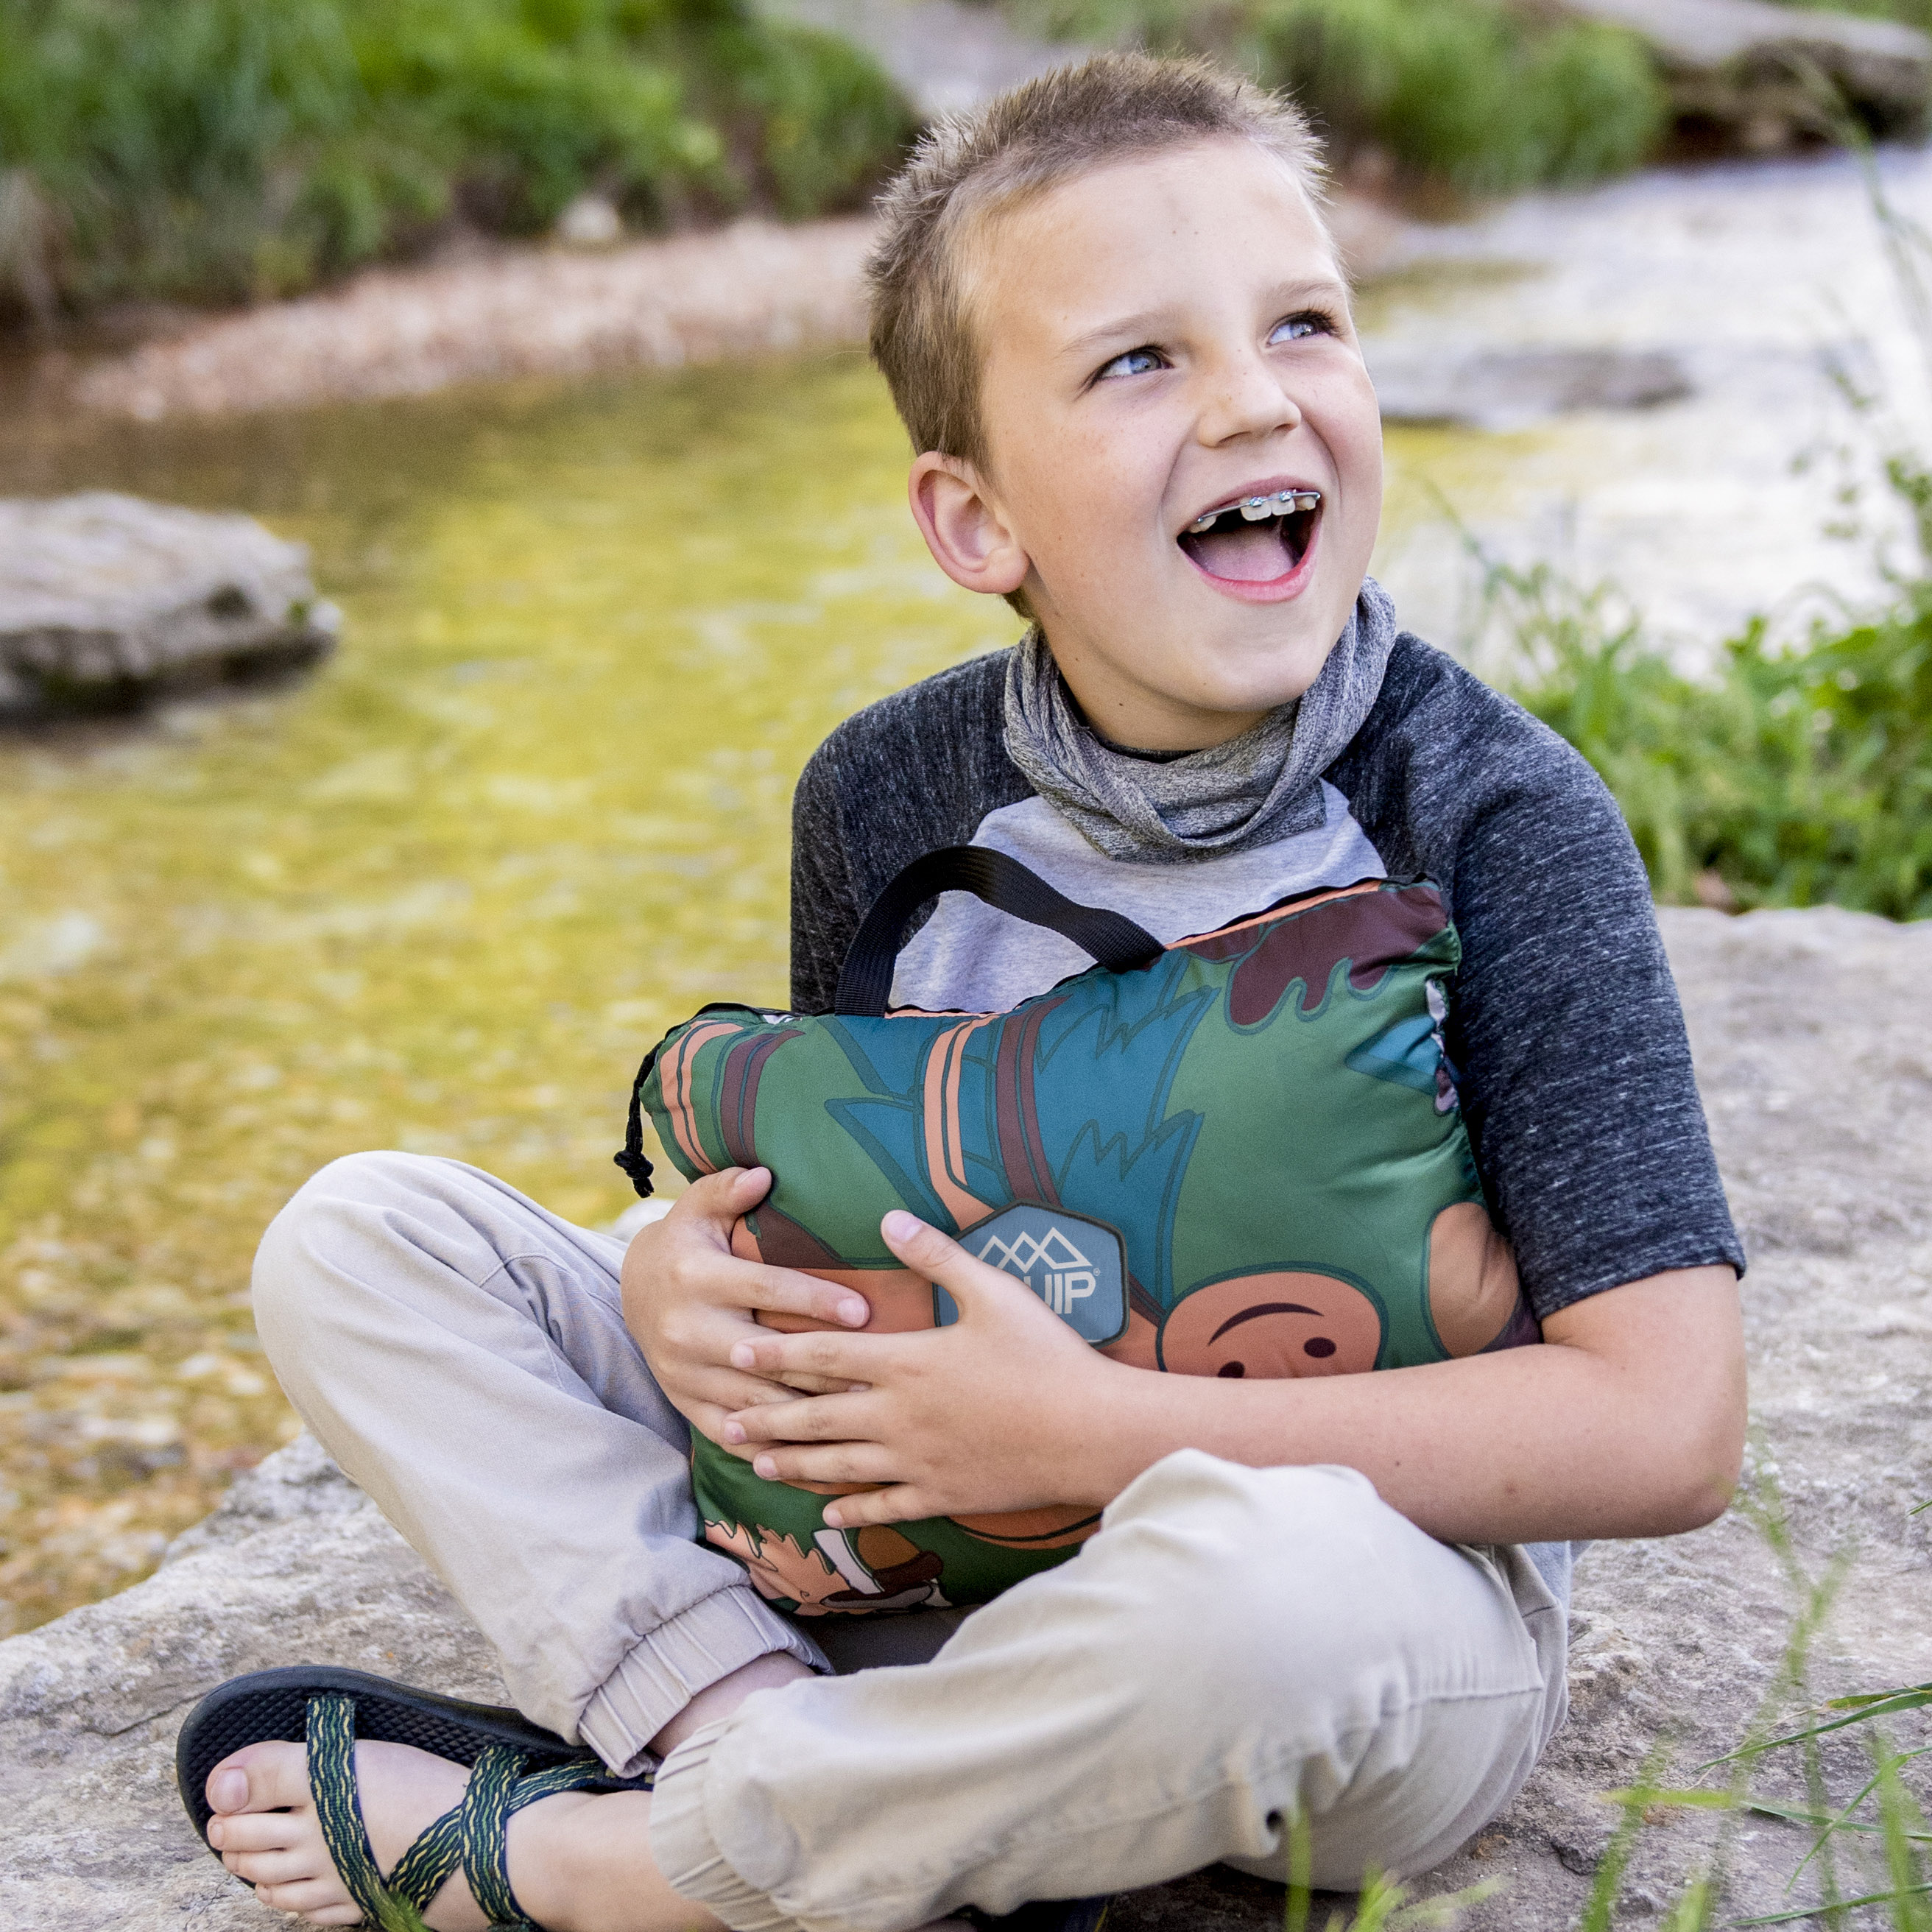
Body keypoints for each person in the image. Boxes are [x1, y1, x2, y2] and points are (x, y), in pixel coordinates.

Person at [191, 51, 1747, 1932]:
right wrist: (705, 1288)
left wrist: (1098, 1435)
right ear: (974, 523)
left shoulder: (1491, 814)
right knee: (359, 1240)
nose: (1258, 398)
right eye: (1139, 361)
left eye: (1304, 324)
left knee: (1259, 1593)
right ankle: (737, 1726)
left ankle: (626, 1865)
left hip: (1358, 1625)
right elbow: (858, 1201)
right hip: (946, 1572)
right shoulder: (883, 795)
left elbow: (1666, 1428)